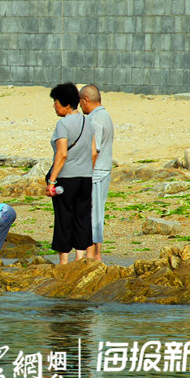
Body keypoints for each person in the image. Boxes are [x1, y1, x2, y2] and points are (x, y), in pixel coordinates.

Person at [44, 83, 95, 265]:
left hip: (66, 179)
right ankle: (80, 258)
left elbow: (62, 153)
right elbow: (93, 151)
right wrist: (87, 170)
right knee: (82, 216)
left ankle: (64, 262)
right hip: (85, 177)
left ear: (66, 104)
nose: (54, 106)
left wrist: (51, 180)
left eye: (56, 102)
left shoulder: (63, 124)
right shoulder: (88, 122)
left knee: (63, 217)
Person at [79, 84, 113, 263]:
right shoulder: (105, 115)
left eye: (80, 101)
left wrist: (86, 175)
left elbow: (94, 150)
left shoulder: (94, 119)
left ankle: (92, 256)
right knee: (97, 213)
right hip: (104, 169)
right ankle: (96, 254)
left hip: (97, 172)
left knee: (91, 214)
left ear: (86, 100)